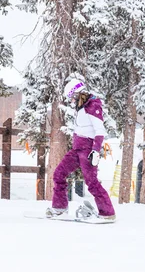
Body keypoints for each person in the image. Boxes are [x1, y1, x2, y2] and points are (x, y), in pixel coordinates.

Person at [46, 79, 116, 223]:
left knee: (91, 182)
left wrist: (96, 151)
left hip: (88, 150)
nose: (71, 100)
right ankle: (59, 208)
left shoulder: (93, 106)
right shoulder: (81, 107)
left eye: (72, 97)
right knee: (59, 174)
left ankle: (107, 212)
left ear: (78, 93)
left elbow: (100, 131)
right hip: (77, 149)